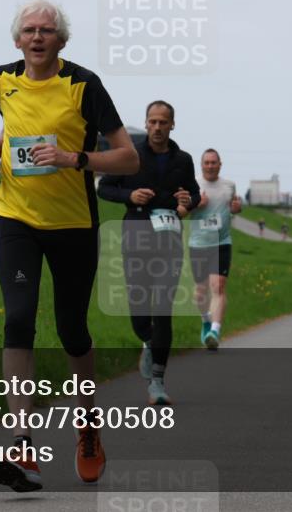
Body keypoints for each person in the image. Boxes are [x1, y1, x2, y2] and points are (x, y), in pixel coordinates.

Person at [0, 0, 139, 492]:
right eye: (30, 30)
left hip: (72, 224)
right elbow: (13, 127)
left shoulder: (84, 85)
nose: (39, 37)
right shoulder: (0, 80)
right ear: (17, 39)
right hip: (16, 218)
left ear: (62, 40)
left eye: (48, 30)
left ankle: (87, 426)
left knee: (71, 328)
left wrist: (75, 157)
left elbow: (128, 159)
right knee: (19, 318)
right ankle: (23, 443)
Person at [98, 101, 200, 406]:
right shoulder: (131, 154)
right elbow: (104, 187)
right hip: (137, 232)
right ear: (146, 123)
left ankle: (157, 380)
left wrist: (186, 202)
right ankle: (147, 340)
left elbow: (194, 193)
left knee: (164, 308)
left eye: (163, 122)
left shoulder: (183, 159)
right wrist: (129, 194)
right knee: (139, 306)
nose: (157, 127)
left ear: (172, 125)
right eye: (152, 122)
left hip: (169, 236)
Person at [188, 149, 240, 350]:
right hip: (198, 244)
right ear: (201, 165)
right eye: (206, 162)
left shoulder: (229, 186)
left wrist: (236, 209)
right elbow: (182, 209)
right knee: (200, 293)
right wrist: (196, 204)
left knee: (218, 285)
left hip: (222, 242)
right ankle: (206, 322)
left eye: (213, 162)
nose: (210, 166)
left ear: (220, 164)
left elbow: (234, 208)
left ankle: (215, 331)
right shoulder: (193, 184)